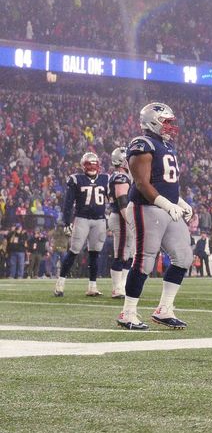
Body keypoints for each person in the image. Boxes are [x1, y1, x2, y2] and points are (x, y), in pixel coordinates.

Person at [116, 102, 195, 330]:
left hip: (165, 207)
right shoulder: (142, 143)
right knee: (144, 260)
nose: (170, 126)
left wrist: (179, 202)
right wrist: (166, 204)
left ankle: (164, 310)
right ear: (153, 121)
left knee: (183, 257)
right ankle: (128, 313)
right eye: (166, 122)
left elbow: (166, 183)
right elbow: (141, 183)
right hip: (145, 207)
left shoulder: (166, 146)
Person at [54, 152, 109, 297]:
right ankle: (60, 284)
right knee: (74, 250)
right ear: (83, 165)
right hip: (82, 219)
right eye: (89, 164)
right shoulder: (76, 179)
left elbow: (113, 198)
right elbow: (68, 203)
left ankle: (92, 286)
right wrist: (67, 221)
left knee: (95, 253)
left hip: (99, 220)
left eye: (94, 164)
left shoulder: (105, 179)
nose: (92, 167)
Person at [106, 146, 134, 298]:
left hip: (121, 216)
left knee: (127, 253)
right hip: (121, 217)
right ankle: (117, 288)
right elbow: (122, 200)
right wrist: (130, 220)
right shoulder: (121, 177)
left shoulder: (117, 176)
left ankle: (122, 286)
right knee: (121, 253)